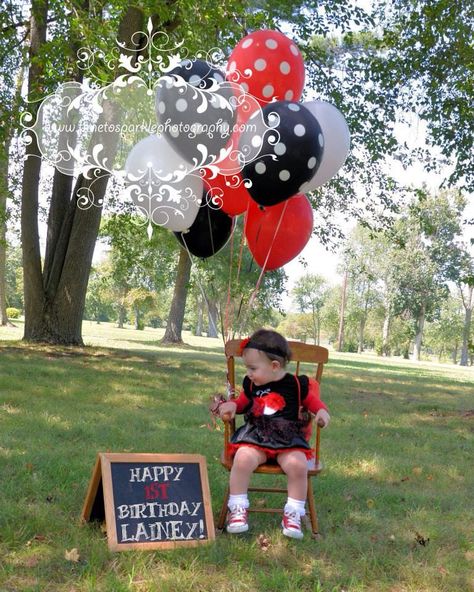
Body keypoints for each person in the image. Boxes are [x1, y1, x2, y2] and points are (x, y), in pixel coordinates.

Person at [217, 328, 330, 539]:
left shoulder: (297, 384)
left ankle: (293, 513)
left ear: (274, 366)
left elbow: (314, 403)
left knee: (297, 465)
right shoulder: (251, 384)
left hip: (287, 439)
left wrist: (322, 412)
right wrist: (232, 405)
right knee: (242, 459)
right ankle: (238, 509)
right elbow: (243, 402)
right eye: (247, 368)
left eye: (252, 368)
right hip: (256, 436)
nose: (249, 373)